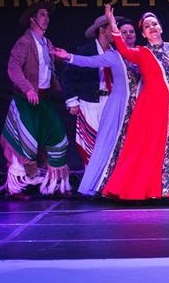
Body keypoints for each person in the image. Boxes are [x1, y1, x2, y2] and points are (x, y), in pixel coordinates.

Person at [100, 5, 169, 200]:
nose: (152, 28)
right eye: (147, 26)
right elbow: (123, 49)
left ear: (161, 28)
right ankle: (140, 189)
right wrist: (113, 23)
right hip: (149, 107)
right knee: (146, 147)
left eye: (154, 24)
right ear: (143, 34)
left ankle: (165, 191)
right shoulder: (142, 52)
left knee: (168, 146)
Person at [52, 18, 142, 197]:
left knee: (118, 145)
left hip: (119, 103)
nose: (121, 33)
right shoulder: (96, 52)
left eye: (130, 31)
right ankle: (94, 184)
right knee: (94, 145)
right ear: (103, 30)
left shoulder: (126, 52)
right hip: (94, 102)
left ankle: (115, 183)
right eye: (117, 30)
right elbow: (82, 66)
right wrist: (72, 100)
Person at [1, 1, 71, 197]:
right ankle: (16, 186)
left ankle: (54, 183)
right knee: (25, 142)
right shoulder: (24, 42)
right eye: (42, 14)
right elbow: (13, 67)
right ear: (32, 19)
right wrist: (27, 89)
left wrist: (60, 56)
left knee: (58, 140)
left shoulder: (47, 43)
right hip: (26, 100)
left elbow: (48, 67)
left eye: (47, 15)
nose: (46, 18)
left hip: (44, 99)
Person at [60, 14, 120, 165]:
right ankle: (91, 176)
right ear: (102, 30)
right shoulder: (85, 51)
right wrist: (71, 100)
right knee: (91, 143)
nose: (116, 31)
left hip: (111, 102)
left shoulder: (116, 52)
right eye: (112, 28)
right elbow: (68, 75)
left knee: (111, 142)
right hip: (90, 103)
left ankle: (107, 177)